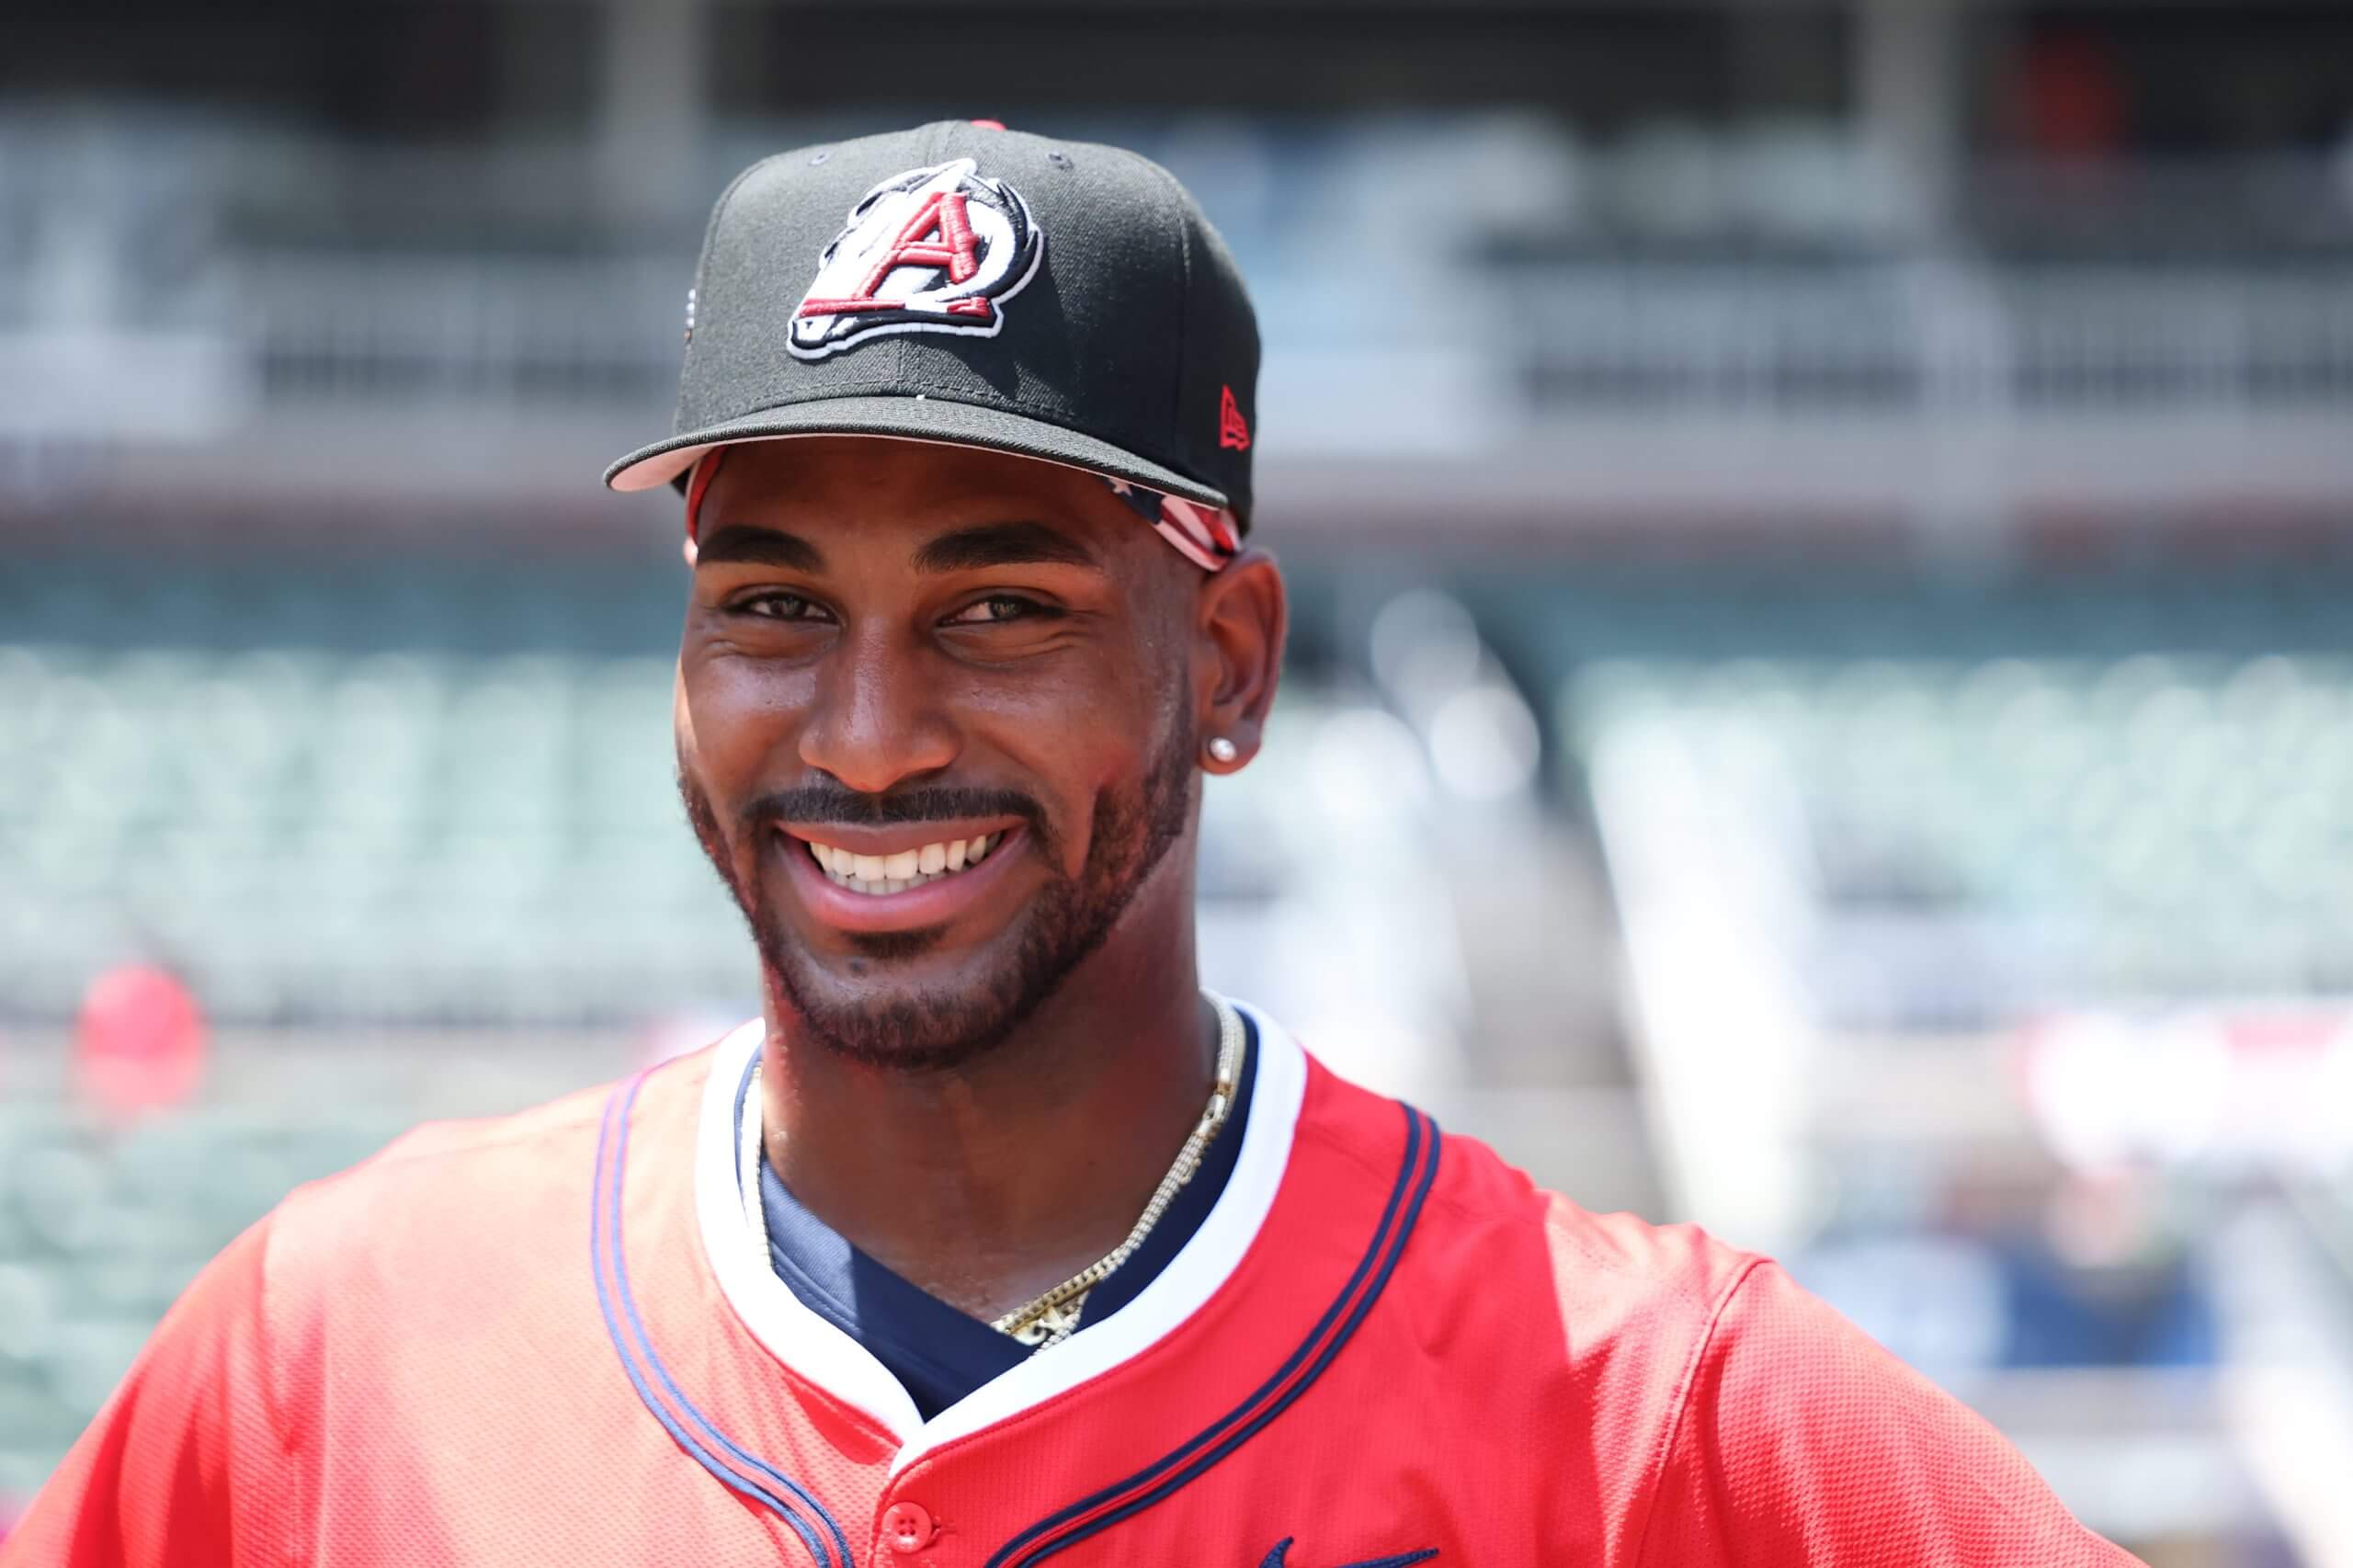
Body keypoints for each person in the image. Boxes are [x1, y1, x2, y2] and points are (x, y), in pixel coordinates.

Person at [4, 121, 2142, 1568]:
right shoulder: (342, 1333)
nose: (865, 734)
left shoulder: (1649, 1409)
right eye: (772, 603)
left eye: (999, 607)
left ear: (1226, 662)